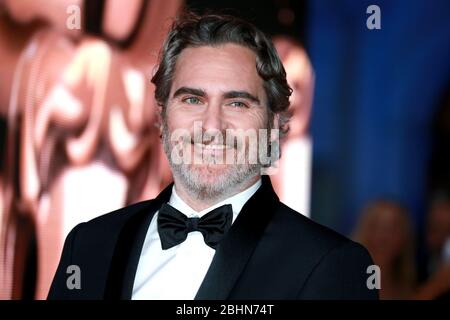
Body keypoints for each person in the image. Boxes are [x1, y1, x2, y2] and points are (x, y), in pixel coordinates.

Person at [47, 12, 377, 300]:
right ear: (162, 118)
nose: (212, 127)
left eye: (237, 103)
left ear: (275, 126)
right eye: (192, 100)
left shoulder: (331, 265)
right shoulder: (89, 245)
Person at [353, 199, 417, 299]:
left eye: (392, 228)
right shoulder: (345, 278)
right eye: (375, 226)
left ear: (405, 238)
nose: (383, 237)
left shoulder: (407, 284)